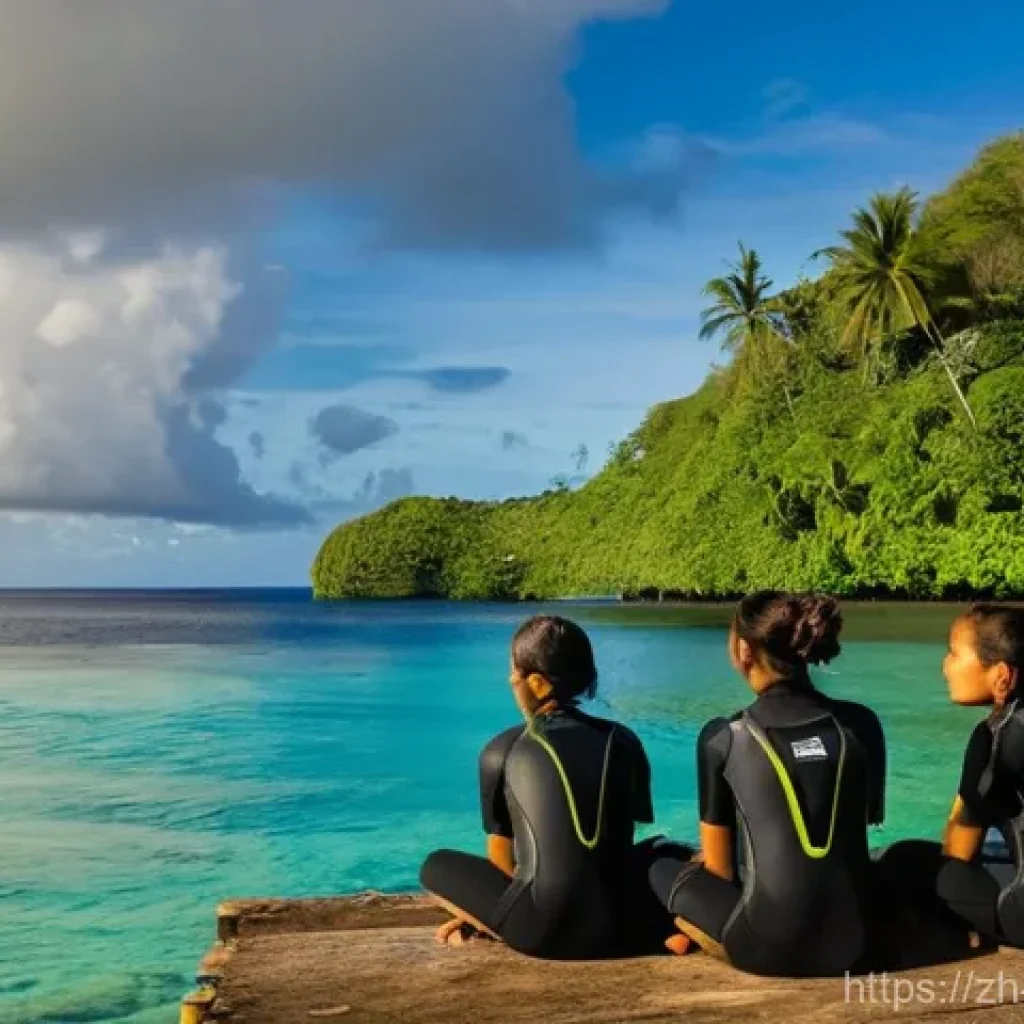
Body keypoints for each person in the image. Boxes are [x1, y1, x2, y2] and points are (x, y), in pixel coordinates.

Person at [648, 591, 887, 977]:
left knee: (659, 865)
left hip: (765, 948)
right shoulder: (861, 724)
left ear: (744, 650)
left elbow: (720, 872)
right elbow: (866, 822)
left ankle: (682, 933)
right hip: (856, 942)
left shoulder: (724, 737)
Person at [420, 614, 663, 959]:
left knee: (435, 865)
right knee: (660, 849)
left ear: (537, 683)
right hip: (614, 924)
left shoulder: (501, 750)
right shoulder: (623, 740)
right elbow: (623, 839)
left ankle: (490, 925)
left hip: (537, 932)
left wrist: (484, 910)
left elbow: (501, 862)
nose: (509, 680)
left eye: (513, 672)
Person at [876, 604, 1024, 950]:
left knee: (906, 861)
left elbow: (959, 851)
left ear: (1002, 675)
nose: (945, 666)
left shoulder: (995, 737)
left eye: (955, 654)